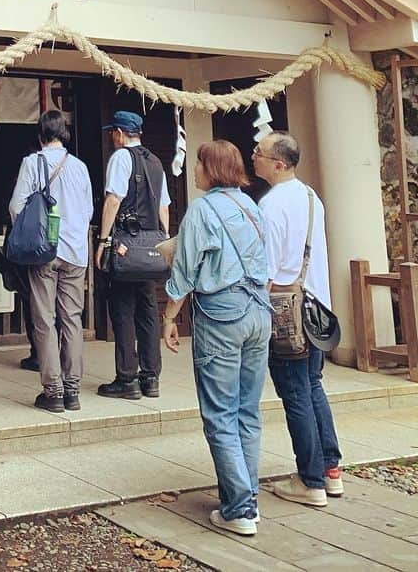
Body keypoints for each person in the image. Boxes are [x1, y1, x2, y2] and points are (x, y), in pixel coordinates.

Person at [162, 140, 271, 538]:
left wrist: (170, 316)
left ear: (211, 169)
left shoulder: (203, 209)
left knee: (220, 412)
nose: (194, 172)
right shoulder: (252, 207)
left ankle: (239, 507)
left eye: (198, 165)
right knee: (247, 411)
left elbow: (185, 271)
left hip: (222, 312)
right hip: (259, 310)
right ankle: (247, 500)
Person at [252, 131, 343, 507]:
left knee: (295, 393)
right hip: (317, 305)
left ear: (278, 163)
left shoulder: (271, 205)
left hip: (287, 309)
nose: (252, 156)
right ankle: (330, 469)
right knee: (313, 385)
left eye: (258, 152)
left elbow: (268, 268)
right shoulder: (310, 197)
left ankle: (310, 480)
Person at [9, 110, 94, 411]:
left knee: (45, 319)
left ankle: (53, 391)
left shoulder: (32, 163)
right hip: (76, 252)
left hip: (45, 252)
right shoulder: (80, 167)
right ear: (64, 134)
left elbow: (16, 206)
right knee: (72, 319)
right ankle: (73, 390)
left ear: (40, 134)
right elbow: (88, 211)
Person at [95, 110, 169, 399]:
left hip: (126, 245)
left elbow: (114, 199)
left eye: (114, 132)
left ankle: (127, 379)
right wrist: (162, 240)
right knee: (148, 309)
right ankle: (151, 377)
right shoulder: (155, 162)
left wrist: (103, 240)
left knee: (123, 309)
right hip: (151, 246)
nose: (113, 136)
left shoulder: (121, 158)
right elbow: (164, 207)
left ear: (119, 133)